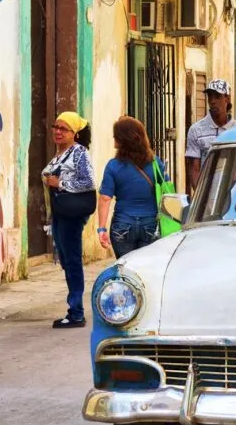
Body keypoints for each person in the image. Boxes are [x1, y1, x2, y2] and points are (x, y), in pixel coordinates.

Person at [42, 111, 96, 328]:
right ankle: (74, 309)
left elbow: (89, 182)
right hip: (61, 213)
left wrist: (61, 184)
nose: (57, 131)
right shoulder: (60, 155)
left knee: (72, 261)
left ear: (75, 133)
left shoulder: (79, 153)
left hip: (72, 213)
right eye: (56, 127)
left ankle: (76, 313)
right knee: (66, 260)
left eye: (63, 128)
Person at [96, 117, 167, 259]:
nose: (114, 138)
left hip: (122, 225)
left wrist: (102, 228)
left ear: (123, 139)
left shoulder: (113, 166)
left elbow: (105, 198)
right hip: (150, 223)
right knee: (146, 269)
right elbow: (166, 191)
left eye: (116, 136)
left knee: (126, 269)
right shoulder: (155, 163)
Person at [185, 79, 236, 193]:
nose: (213, 101)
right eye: (210, 97)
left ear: (227, 99)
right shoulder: (196, 130)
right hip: (208, 194)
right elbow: (194, 169)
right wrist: (201, 196)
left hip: (233, 193)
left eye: (218, 97)